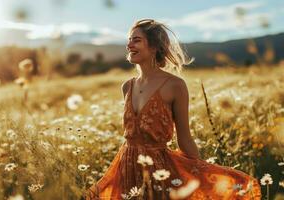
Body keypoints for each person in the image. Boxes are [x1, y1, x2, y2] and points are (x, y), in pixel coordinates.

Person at [86, 19, 261, 200]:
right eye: (129, 39)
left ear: (154, 46)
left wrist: (199, 174)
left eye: (136, 40)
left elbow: (184, 138)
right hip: (127, 166)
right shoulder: (127, 87)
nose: (129, 45)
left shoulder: (175, 85)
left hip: (159, 170)